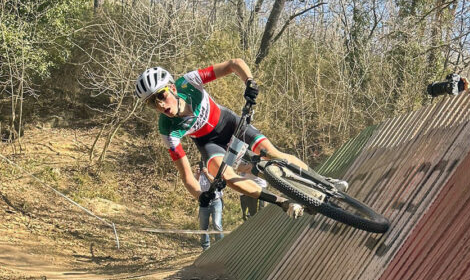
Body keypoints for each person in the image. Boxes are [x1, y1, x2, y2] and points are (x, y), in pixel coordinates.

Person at [134, 59, 348, 219]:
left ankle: (322, 181)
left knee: (272, 154)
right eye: (152, 103)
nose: (160, 104)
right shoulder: (167, 130)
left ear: (172, 88)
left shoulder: (189, 82)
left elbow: (233, 64)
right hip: (209, 144)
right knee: (224, 175)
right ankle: (283, 202)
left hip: (229, 124)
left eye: (161, 95)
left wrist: (249, 82)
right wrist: (200, 196)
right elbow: (186, 176)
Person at [195, 160, 224, 250]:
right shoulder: (198, 175)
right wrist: (198, 175)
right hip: (204, 203)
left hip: (216, 201)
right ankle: (206, 248)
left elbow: (217, 183)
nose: (202, 167)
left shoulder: (214, 171)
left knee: (217, 224)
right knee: (203, 227)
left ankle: (220, 247)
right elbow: (195, 185)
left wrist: (207, 174)